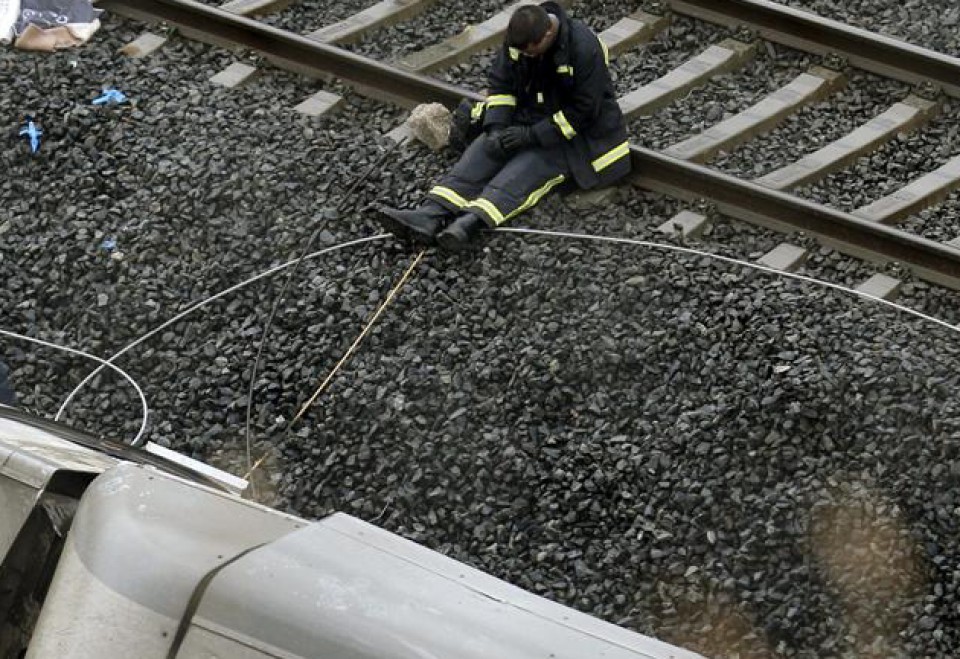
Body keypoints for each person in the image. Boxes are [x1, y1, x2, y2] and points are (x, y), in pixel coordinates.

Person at [377, 2, 632, 251]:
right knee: (485, 150)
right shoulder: (519, 42)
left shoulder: (584, 48)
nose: (526, 56)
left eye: (531, 51)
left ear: (547, 34)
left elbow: (584, 112)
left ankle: (471, 222)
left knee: (527, 168)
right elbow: (501, 87)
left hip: (575, 137)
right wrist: (497, 128)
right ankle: (430, 212)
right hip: (529, 117)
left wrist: (532, 135)